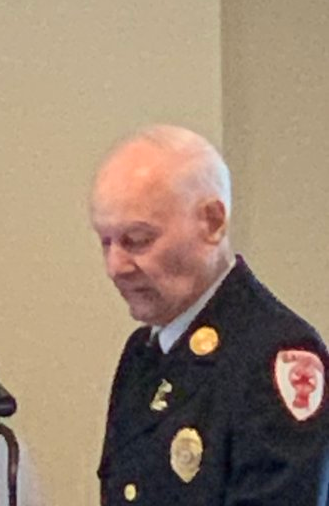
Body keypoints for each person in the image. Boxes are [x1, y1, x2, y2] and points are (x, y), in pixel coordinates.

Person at [90, 125, 329, 504]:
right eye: (106, 242)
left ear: (213, 222)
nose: (115, 266)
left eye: (137, 240)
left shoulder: (275, 356)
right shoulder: (143, 354)